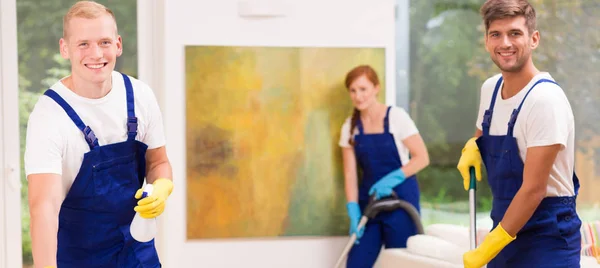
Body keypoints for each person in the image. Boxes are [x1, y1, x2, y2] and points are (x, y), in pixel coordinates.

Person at [24, 1, 173, 267]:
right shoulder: (49, 116)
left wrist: (161, 188)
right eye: (83, 44)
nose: (96, 53)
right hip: (78, 257)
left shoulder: (140, 95)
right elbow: (43, 207)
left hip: (137, 253)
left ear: (118, 44)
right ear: (64, 48)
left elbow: (159, 162)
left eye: (104, 42)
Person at [457, 0, 581, 267]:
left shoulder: (545, 99)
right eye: (496, 34)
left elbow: (534, 189)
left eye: (515, 33)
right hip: (504, 224)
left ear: (534, 39)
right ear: (487, 40)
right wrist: (473, 147)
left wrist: (489, 246)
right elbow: (483, 134)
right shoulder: (490, 90)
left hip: (548, 237)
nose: (505, 43)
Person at [338, 65, 430, 268]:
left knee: (402, 263)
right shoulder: (350, 127)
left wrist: (392, 179)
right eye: (353, 90)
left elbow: (422, 157)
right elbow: (350, 174)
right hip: (370, 203)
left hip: (401, 201)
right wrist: (353, 208)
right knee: (356, 263)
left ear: (376, 88)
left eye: (363, 89)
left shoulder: (396, 117)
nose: (358, 96)